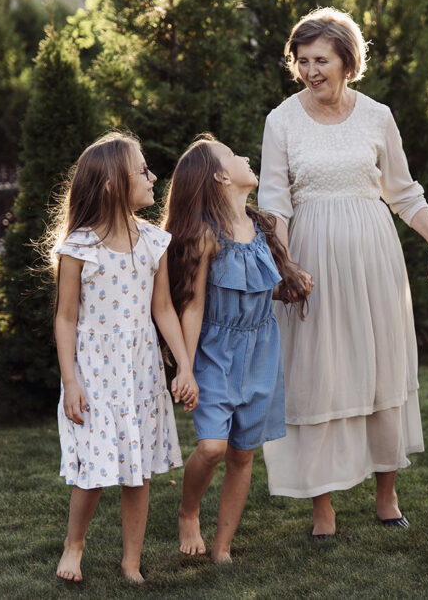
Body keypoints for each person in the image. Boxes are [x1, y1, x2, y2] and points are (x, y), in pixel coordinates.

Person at [258, 7, 428, 538]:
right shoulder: (282, 121)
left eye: (320, 59)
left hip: (374, 259)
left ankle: (386, 496)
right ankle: (323, 507)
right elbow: (274, 202)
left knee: (379, 369)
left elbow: (404, 191)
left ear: (348, 60)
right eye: (302, 61)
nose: (310, 70)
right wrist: (286, 266)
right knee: (318, 376)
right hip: (311, 262)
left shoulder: (377, 115)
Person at [51, 132, 198, 584]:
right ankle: (74, 546)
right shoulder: (79, 247)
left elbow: (163, 309)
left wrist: (185, 365)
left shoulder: (155, 241)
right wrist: (70, 381)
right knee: (93, 471)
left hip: (140, 370)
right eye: (143, 171)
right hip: (93, 372)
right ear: (115, 184)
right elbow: (65, 319)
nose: (153, 178)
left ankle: (130, 562)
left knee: (138, 470)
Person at [163, 136, 312, 563]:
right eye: (234, 156)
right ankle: (188, 511)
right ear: (222, 176)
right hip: (216, 353)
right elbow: (193, 307)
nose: (245, 157)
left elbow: (258, 288)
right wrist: (185, 368)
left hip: (261, 351)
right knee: (212, 447)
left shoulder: (261, 226)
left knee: (243, 454)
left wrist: (289, 289)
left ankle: (223, 546)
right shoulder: (206, 237)